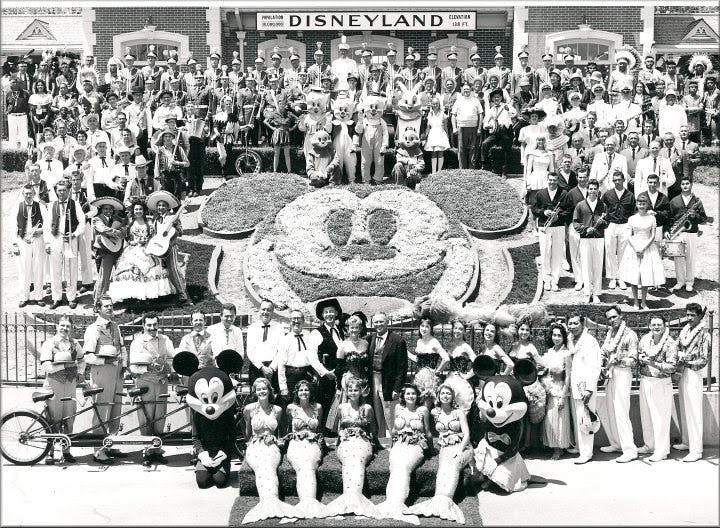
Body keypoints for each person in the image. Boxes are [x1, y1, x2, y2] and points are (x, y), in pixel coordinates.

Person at [406, 384, 472, 524]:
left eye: (448, 393)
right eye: (442, 393)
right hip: (445, 447)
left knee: (454, 464)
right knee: (443, 469)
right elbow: (424, 425)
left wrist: (460, 449)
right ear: (438, 396)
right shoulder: (435, 412)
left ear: (452, 396)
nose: (445, 396)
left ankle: (447, 500)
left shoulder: (459, 412)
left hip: (462, 446)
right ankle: (439, 499)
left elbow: (467, 435)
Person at [324, 378, 381, 519]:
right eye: (350, 390)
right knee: (348, 462)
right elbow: (338, 428)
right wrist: (338, 443)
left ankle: (356, 496)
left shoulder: (367, 408)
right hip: (346, 442)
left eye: (356, 390)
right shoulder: (341, 407)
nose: (353, 392)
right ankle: (348, 497)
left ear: (361, 391)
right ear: (347, 392)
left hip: (362, 442)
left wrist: (377, 444)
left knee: (357, 462)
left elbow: (374, 429)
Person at [241, 378, 294, 524]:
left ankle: (273, 500)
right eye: (259, 389)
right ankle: (265, 502)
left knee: (269, 467)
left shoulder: (278, 410)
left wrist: (277, 440)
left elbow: (282, 434)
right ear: (255, 392)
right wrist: (250, 444)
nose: (262, 391)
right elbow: (247, 433)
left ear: (269, 391)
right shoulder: (249, 409)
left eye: (264, 388)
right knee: (260, 468)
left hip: (272, 445)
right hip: (255, 445)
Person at [377, 383, 431, 524]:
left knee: (404, 466)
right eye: (408, 393)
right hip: (399, 444)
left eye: (413, 393)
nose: (411, 396)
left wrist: (430, 450)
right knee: (395, 465)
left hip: (415, 446)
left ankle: (398, 502)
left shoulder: (423, 410)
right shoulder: (398, 408)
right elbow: (394, 430)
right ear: (403, 396)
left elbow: (427, 431)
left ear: (417, 396)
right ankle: (390, 502)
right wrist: (392, 446)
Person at [83, 296, 128, 463]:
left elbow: (122, 347)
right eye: (106, 306)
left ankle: (110, 444)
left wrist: (124, 366)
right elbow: (87, 356)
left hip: (117, 373)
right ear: (98, 309)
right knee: (101, 411)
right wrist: (105, 361)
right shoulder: (93, 329)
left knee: (116, 409)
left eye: (111, 306)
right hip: (101, 373)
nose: (110, 308)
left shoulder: (115, 326)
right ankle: (98, 450)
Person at [128, 312, 174, 466]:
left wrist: (168, 367)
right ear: (143, 326)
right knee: (145, 416)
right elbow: (133, 366)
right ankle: (147, 451)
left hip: (161, 382)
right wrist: (148, 367)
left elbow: (172, 357)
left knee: (160, 416)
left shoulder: (165, 340)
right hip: (145, 382)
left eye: (155, 324)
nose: (152, 328)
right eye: (149, 325)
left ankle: (157, 450)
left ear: (158, 325)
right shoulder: (137, 342)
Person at [107, 199, 174, 302]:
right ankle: (132, 295)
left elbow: (154, 236)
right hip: (132, 248)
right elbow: (124, 235)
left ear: (144, 210)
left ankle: (148, 294)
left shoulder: (150, 221)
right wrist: (131, 241)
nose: (138, 211)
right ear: (133, 211)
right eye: (136, 209)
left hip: (146, 248)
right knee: (129, 267)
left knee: (150, 267)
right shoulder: (129, 221)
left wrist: (147, 241)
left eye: (140, 209)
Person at [39, 315, 85, 464]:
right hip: (54, 384)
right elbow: (46, 366)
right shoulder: (49, 343)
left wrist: (80, 373)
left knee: (69, 418)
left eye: (68, 326)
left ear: (71, 328)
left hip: (70, 385)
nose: (65, 329)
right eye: (62, 325)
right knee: (53, 419)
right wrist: (64, 365)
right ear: (57, 326)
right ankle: (50, 452)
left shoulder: (75, 343)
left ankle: (66, 451)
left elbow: (82, 359)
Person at [284, 380, 329, 519]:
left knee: (309, 465)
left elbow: (319, 428)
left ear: (311, 392)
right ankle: (304, 501)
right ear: (296, 393)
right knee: (301, 466)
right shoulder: (291, 408)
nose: (304, 392)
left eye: (306, 389)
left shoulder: (318, 407)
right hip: (296, 443)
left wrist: (321, 444)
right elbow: (287, 427)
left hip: (312, 443)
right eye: (301, 390)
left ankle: (310, 500)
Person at [599, 306, 639, 463]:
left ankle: (630, 450)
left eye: (614, 317)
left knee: (622, 411)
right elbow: (604, 351)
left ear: (621, 316)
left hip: (622, 373)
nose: (612, 320)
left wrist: (619, 360)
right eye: (609, 318)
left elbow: (634, 359)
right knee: (611, 409)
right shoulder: (610, 333)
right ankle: (617, 444)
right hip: (610, 373)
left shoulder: (630, 334)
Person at [637, 315, 678, 462]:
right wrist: (641, 359)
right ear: (649, 326)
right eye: (653, 324)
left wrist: (653, 363)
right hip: (645, 380)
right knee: (646, 415)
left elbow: (672, 367)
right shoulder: (645, 339)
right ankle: (650, 445)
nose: (656, 327)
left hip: (661, 382)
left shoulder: (670, 343)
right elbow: (640, 355)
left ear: (664, 325)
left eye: (659, 324)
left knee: (660, 418)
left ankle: (662, 450)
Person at [673, 303, 711, 463]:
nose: (689, 318)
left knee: (694, 411)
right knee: (684, 407)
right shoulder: (685, 330)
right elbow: (677, 347)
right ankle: (687, 441)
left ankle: (696, 450)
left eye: (693, 315)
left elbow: (704, 359)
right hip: (682, 371)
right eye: (687, 314)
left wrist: (687, 360)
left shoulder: (704, 334)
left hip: (694, 373)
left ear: (700, 316)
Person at [45, 179, 86, 309]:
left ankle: (71, 297)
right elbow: (47, 225)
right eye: (59, 190)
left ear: (68, 191)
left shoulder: (75, 204)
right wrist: (47, 243)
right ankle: (56, 298)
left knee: (71, 269)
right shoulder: (52, 205)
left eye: (64, 190)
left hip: (70, 239)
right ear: (56, 191)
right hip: (55, 239)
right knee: (55, 270)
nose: (61, 193)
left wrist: (74, 234)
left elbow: (82, 222)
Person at [277, 310, 336, 400]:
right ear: (290, 321)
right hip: (291, 377)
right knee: (292, 403)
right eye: (293, 318)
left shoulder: (309, 337)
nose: (296, 321)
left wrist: (321, 373)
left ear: (303, 321)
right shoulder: (284, 340)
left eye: (299, 318)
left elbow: (314, 359)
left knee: (309, 402)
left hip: (307, 375)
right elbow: (281, 365)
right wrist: (283, 387)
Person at [567, 313, 602, 464]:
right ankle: (580, 447)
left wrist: (589, 388)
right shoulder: (570, 340)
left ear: (582, 324)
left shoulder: (590, 341)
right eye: (570, 323)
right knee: (578, 417)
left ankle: (587, 453)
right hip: (575, 385)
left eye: (576, 323)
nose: (573, 326)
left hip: (586, 387)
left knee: (586, 418)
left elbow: (595, 366)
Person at [620, 194, 665, 308]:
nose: (641, 206)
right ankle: (636, 301)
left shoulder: (652, 218)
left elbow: (653, 235)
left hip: (647, 247)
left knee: (645, 275)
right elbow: (629, 236)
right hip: (633, 248)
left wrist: (643, 248)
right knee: (634, 275)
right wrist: (636, 249)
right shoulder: (632, 218)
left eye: (644, 204)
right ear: (636, 204)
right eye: (639, 203)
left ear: (647, 205)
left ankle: (644, 302)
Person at [308, 298, 345, 433]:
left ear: (336, 313)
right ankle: (322, 433)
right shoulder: (316, 333)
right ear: (322, 315)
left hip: (338, 374)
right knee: (324, 404)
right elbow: (311, 357)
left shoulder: (340, 330)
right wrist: (324, 372)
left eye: (331, 311)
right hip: (325, 376)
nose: (329, 314)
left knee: (336, 404)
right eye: (326, 312)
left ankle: (333, 432)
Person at [148, 191, 192, 305]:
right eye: (159, 205)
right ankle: (165, 292)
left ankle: (182, 293)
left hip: (170, 247)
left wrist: (174, 229)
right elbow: (155, 233)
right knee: (159, 269)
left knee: (173, 269)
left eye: (163, 205)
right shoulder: (156, 218)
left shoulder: (172, 217)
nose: (161, 207)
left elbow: (181, 232)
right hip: (158, 246)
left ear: (168, 207)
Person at [368, 312, 408, 438]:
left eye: (381, 321)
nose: (378, 324)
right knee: (377, 410)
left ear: (387, 322)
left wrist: (397, 388)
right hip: (373, 379)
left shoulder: (397, 340)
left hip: (388, 381)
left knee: (390, 412)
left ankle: (395, 438)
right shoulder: (370, 339)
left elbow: (402, 367)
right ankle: (381, 438)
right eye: (376, 322)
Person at [330, 313, 371, 430]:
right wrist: (339, 387)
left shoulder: (365, 343)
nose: (354, 330)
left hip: (363, 381)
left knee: (363, 407)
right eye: (352, 327)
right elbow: (339, 368)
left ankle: (362, 429)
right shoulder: (343, 345)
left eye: (357, 327)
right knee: (348, 407)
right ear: (348, 328)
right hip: (349, 380)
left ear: (360, 329)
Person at [667, 176, 708, 293]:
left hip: (692, 232)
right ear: (680, 186)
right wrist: (668, 230)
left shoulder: (697, 201)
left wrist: (695, 216)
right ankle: (680, 281)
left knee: (690, 257)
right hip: (678, 233)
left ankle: (689, 282)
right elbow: (669, 218)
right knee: (678, 258)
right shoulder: (674, 201)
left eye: (687, 183)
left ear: (691, 184)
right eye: (683, 184)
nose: (685, 186)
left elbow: (704, 219)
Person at [532, 172, 569, 291]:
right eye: (550, 180)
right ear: (547, 180)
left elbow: (569, 210)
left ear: (558, 181)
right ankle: (546, 279)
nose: (552, 182)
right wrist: (543, 212)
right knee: (545, 253)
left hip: (558, 226)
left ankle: (555, 280)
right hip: (544, 226)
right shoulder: (540, 193)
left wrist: (559, 216)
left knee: (557, 253)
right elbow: (534, 209)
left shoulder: (564, 193)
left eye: (554, 180)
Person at [540, 322, 572, 460]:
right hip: (549, 389)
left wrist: (563, 396)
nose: (556, 338)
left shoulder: (566, 353)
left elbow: (568, 376)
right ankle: (554, 446)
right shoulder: (550, 352)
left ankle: (558, 449)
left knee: (559, 420)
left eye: (559, 335)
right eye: (554, 335)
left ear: (563, 337)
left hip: (560, 390)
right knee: (550, 420)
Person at [573, 179, 607, 303]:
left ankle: (596, 293)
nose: (593, 191)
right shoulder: (580, 205)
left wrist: (602, 222)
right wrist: (585, 229)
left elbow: (607, 222)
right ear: (587, 190)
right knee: (586, 266)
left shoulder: (603, 205)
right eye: (591, 189)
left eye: (595, 189)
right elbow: (575, 223)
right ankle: (587, 293)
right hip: (585, 239)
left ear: (598, 190)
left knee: (598, 266)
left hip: (599, 239)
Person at [602, 170, 635, 291]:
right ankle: (612, 278)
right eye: (615, 180)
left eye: (619, 180)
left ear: (624, 180)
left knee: (623, 253)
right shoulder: (607, 194)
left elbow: (633, 212)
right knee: (610, 251)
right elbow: (602, 209)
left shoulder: (630, 195)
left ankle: (621, 278)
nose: (617, 182)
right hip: (611, 225)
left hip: (625, 225)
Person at [13, 184, 46, 307]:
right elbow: (13, 226)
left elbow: (47, 223)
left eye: (30, 193)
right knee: (23, 269)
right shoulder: (18, 206)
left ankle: (38, 297)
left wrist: (41, 231)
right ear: (23, 194)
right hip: (23, 240)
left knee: (38, 267)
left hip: (37, 239)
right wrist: (15, 244)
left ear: (34, 194)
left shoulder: (41, 206)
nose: (28, 195)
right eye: (26, 193)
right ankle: (24, 297)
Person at [91, 197, 126, 306]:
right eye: (105, 209)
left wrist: (122, 231)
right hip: (104, 251)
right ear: (101, 209)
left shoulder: (116, 219)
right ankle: (98, 301)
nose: (108, 211)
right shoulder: (97, 219)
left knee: (119, 274)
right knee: (104, 276)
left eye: (110, 209)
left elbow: (124, 229)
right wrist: (117, 232)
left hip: (117, 249)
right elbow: (103, 229)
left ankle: (116, 299)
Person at [437, 319, 477, 413]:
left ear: (464, 331)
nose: (457, 331)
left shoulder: (466, 347)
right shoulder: (450, 344)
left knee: (461, 407)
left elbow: (477, 364)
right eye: (455, 328)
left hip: (461, 381)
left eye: (460, 329)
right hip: (450, 379)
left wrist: (467, 375)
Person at [408, 317, 449, 410]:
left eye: (427, 326)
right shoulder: (419, 341)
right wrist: (406, 353)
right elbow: (419, 360)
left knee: (426, 406)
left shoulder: (434, 342)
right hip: (418, 377)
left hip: (429, 380)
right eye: (422, 326)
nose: (424, 329)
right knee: (418, 405)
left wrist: (437, 372)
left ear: (431, 329)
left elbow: (446, 359)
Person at [245, 299, 284, 388]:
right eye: (263, 309)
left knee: (273, 394)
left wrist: (272, 368)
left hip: (273, 369)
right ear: (259, 310)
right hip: (256, 368)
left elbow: (281, 351)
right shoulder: (252, 328)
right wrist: (262, 367)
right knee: (257, 394)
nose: (265, 312)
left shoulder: (279, 328)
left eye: (268, 310)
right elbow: (250, 351)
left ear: (272, 312)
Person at [482, 87, 517, 176]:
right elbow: (485, 121)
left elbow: (514, 114)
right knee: (485, 144)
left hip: (506, 132)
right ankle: (486, 167)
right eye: (494, 97)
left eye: (498, 97)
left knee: (506, 148)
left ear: (501, 98)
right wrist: (488, 126)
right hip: (496, 133)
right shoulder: (491, 109)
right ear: (492, 99)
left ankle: (504, 171)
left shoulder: (506, 106)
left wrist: (508, 109)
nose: (496, 99)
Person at [451, 83, 483, 169]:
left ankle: (471, 169)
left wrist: (479, 128)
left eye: (468, 89)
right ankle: (462, 170)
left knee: (473, 148)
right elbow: (453, 115)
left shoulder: (475, 100)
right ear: (462, 90)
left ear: (471, 90)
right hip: (461, 127)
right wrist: (454, 128)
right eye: (464, 89)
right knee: (461, 149)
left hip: (473, 127)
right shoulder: (458, 101)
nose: (466, 91)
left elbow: (480, 115)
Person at [424, 97, 450, 173]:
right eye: (433, 104)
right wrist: (425, 137)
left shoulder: (443, 115)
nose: (435, 105)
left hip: (440, 133)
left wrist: (447, 137)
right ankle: (434, 172)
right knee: (434, 153)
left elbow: (446, 127)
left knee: (440, 152)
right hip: (432, 134)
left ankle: (439, 171)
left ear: (439, 104)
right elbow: (428, 127)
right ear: (431, 104)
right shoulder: (429, 114)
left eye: (436, 104)